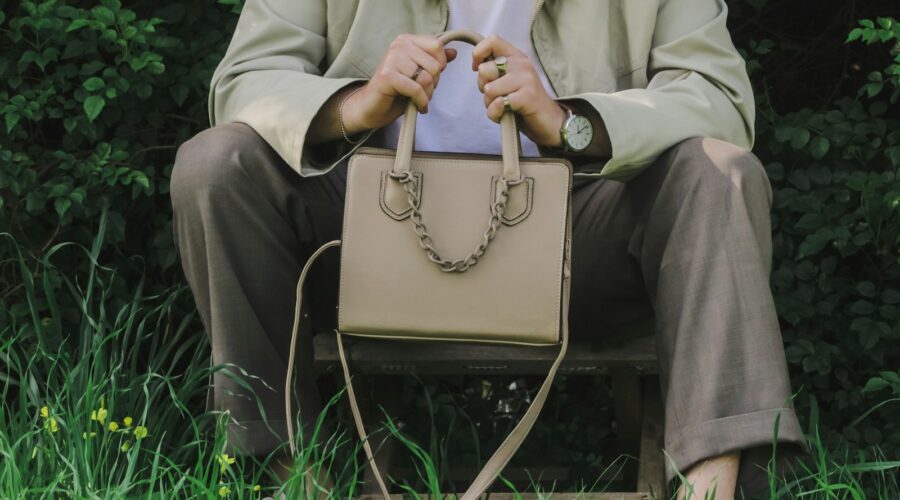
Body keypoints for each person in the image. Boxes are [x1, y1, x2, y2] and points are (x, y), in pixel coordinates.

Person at [170, 0, 807, 497]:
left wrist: (571, 122)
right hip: (366, 232)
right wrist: (357, 105)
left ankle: (712, 490)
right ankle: (291, 480)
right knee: (216, 164)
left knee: (719, 173)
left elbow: (721, 100)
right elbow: (244, 83)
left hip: (575, 241)